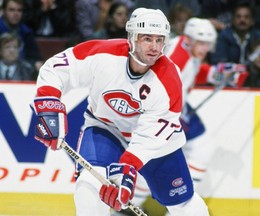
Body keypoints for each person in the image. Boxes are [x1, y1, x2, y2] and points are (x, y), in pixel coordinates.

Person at [31, 7, 210, 216]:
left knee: (184, 205)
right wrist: (49, 105)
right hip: (105, 128)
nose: (154, 47)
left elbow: (151, 135)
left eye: (159, 40)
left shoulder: (169, 78)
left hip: (156, 145)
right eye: (147, 38)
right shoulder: (102, 54)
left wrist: (128, 166)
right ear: (131, 38)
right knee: (88, 188)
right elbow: (55, 68)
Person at [129, 18, 248, 215]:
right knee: (152, 158)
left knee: (202, 147)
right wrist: (170, 116)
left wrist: (220, 74)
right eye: (201, 43)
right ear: (191, 39)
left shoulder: (187, 49)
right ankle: (138, 204)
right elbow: (157, 84)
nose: (204, 49)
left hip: (172, 109)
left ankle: (174, 205)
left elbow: (192, 72)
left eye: (208, 44)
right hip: (157, 113)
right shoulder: (178, 55)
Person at [0, 0, 43, 71]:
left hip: (21, 69)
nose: (16, 14)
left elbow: (35, 57)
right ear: (3, 11)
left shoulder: (26, 31)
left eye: (19, 10)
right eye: (11, 10)